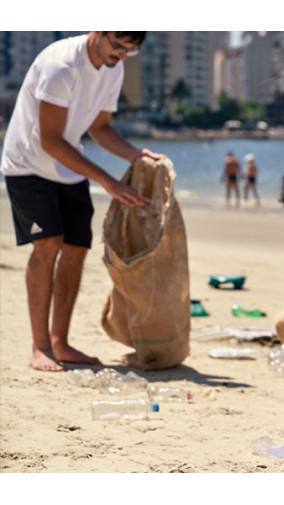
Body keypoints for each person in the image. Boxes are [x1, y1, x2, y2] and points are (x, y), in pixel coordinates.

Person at [0, 31, 159, 372]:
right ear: (98, 31)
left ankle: (60, 342)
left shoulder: (114, 68)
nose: (120, 56)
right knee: (47, 244)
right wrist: (106, 180)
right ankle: (40, 347)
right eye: (117, 45)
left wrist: (134, 155)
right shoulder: (61, 65)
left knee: (75, 248)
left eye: (129, 50)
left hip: (68, 168)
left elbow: (100, 128)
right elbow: (51, 141)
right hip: (27, 164)